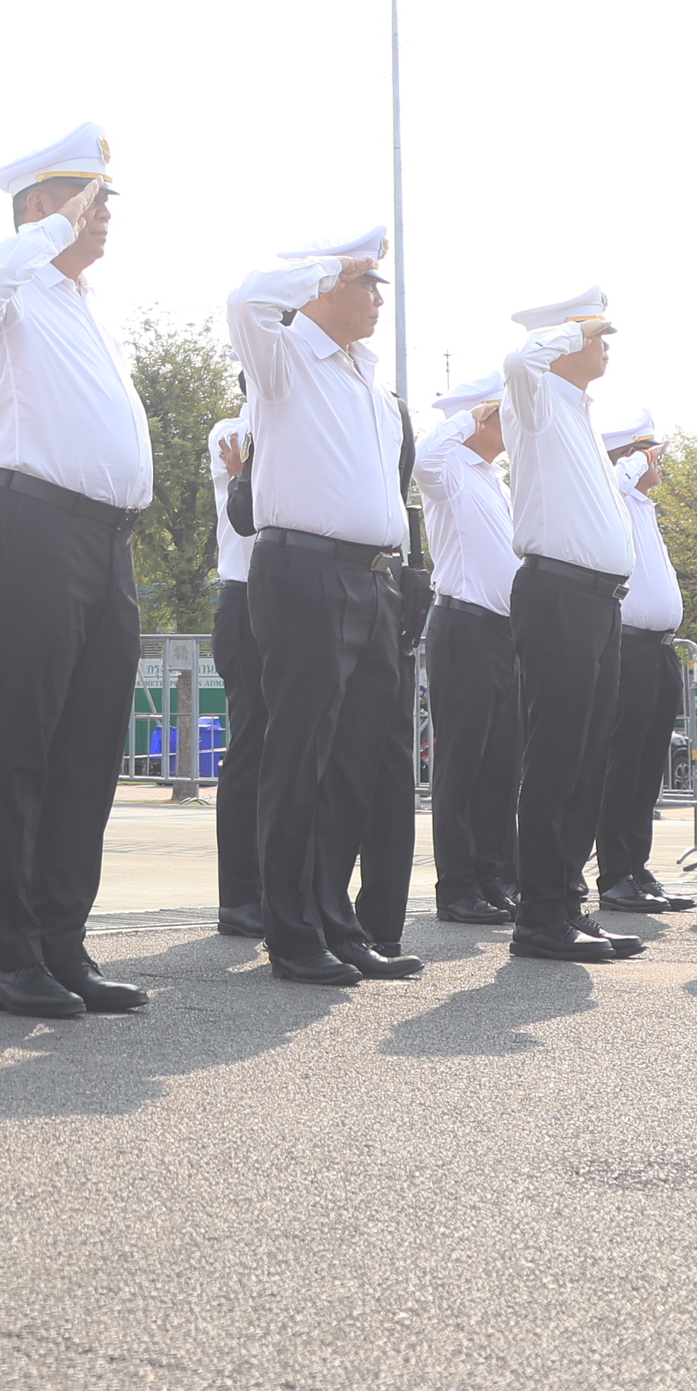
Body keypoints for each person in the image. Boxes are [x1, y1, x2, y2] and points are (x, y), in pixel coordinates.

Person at [0, 127, 159, 1020]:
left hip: (104, 541)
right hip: (32, 522)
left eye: (105, 200)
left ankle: (63, 939)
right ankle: (13, 953)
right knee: (22, 743)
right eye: (89, 197)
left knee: (86, 751)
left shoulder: (78, 302)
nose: (103, 215)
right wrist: (46, 231)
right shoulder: (13, 288)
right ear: (41, 205)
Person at [225, 226, 428, 987]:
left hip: (371, 581)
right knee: (298, 757)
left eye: (376, 283)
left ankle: (335, 922)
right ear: (322, 290)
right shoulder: (282, 360)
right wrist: (330, 260)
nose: (377, 296)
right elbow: (247, 297)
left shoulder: (372, 385)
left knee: (353, 765)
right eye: (365, 282)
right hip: (303, 573)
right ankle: (291, 931)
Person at [498, 290, 642, 964]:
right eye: (596, 331)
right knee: (556, 759)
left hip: (596, 601)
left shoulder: (576, 410)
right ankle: (538, 916)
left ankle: (566, 902)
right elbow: (519, 359)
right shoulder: (533, 398)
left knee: (588, 760)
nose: (604, 340)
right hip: (556, 593)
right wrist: (566, 331)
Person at [417, 370, 523, 926]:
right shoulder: (450, 465)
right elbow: (422, 460)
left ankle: (492, 875)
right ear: (479, 416)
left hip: (502, 632)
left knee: (500, 765)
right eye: (499, 414)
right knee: (461, 765)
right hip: (463, 626)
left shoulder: (489, 474)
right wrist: (466, 417)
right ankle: (456, 887)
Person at [590, 408, 696, 916]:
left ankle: (635, 864)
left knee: (648, 766)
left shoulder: (642, 505)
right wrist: (633, 460)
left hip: (658, 648)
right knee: (623, 763)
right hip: (627, 646)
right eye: (653, 454)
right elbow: (609, 480)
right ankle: (614, 873)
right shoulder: (611, 493)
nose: (660, 464)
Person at [207, 402, 265, 935]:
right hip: (247, 600)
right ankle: (241, 897)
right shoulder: (234, 432)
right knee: (253, 744)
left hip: (290, 600)